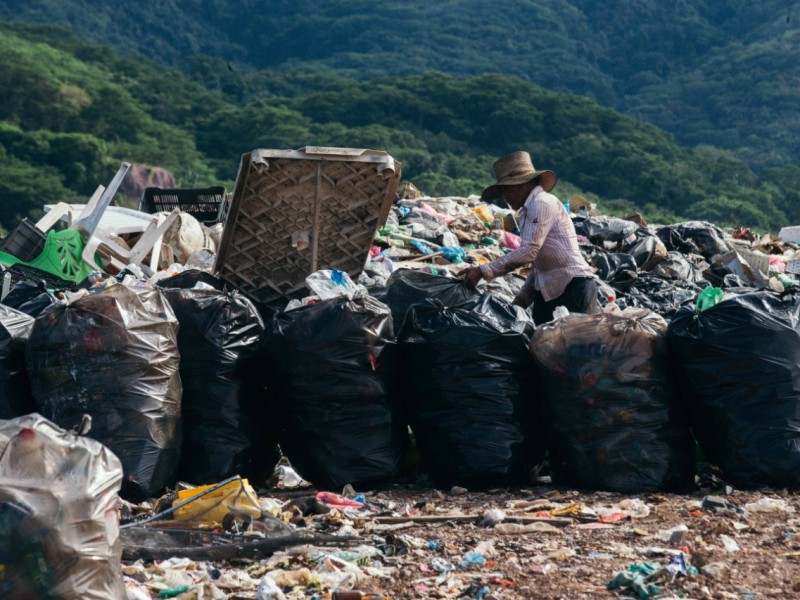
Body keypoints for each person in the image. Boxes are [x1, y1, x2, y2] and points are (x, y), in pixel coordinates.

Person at [461, 151, 597, 324]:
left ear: (524, 184)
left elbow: (529, 252)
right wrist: (522, 299)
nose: (505, 196)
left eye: (508, 189)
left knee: (572, 347)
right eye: (502, 190)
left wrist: (483, 271)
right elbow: (538, 266)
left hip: (573, 287)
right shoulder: (526, 213)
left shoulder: (541, 203)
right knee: (541, 346)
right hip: (551, 291)